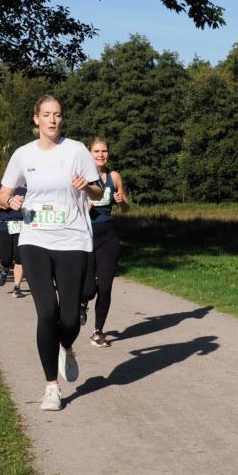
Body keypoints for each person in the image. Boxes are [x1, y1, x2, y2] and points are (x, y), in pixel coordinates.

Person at [0, 95, 103, 411]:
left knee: (69, 317)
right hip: (35, 239)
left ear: (61, 119)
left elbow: (98, 190)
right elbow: (3, 191)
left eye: (57, 115)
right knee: (47, 313)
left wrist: (87, 186)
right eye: (46, 115)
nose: (52, 120)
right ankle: (51, 388)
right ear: (36, 120)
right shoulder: (22, 154)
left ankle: (67, 346)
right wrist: (9, 201)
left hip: (72, 239)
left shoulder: (77, 150)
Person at [85, 136, 130, 347]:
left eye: (104, 151)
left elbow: (126, 207)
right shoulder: (82, 178)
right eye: (96, 151)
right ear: (90, 154)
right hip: (85, 235)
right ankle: (82, 303)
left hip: (108, 236)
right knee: (88, 288)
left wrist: (121, 202)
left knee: (105, 286)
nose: (100, 155)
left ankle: (98, 331)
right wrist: (84, 208)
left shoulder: (114, 176)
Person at [0, 183, 27, 298]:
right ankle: (4, 272)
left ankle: (17, 287)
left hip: (22, 226)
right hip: (5, 226)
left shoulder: (29, 188)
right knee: (6, 260)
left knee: (20, 258)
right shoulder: (3, 189)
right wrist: (4, 205)